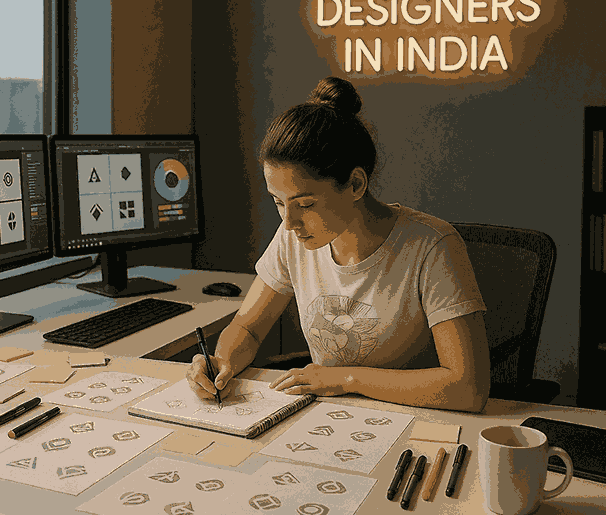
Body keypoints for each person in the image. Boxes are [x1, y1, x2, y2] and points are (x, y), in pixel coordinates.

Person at [187, 76, 490, 412]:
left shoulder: (432, 247)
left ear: (356, 184)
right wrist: (221, 362)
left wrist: (346, 379)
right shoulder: (292, 237)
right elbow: (248, 327)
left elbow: (468, 388)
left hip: (418, 421)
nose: (288, 222)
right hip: (330, 416)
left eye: (305, 204)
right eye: (277, 201)